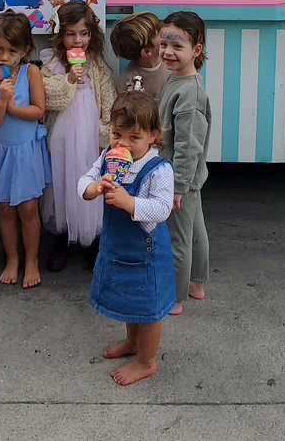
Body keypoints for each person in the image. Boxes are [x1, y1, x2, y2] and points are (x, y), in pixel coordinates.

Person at [80, 91, 175, 386]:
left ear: (153, 137)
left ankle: (147, 361)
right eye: (117, 134)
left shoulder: (158, 169)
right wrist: (94, 187)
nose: (122, 143)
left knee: (148, 309)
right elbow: (84, 181)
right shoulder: (109, 158)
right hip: (118, 249)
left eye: (134, 138)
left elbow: (162, 208)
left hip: (146, 255)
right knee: (130, 303)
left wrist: (130, 203)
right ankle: (132, 342)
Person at [0, 11, 50, 288]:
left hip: (26, 151)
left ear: (25, 50)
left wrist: (13, 105)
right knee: (5, 209)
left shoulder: (31, 72)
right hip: (1, 153)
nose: (4, 57)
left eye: (12, 50)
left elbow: (39, 110)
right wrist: (2, 99)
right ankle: (13, 258)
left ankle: (32, 260)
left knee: (29, 208)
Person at [41, 1, 116, 272]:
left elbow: (108, 102)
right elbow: (47, 98)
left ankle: (93, 239)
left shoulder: (97, 65)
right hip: (62, 135)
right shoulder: (51, 62)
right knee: (63, 183)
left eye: (83, 33)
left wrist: (105, 136)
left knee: (92, 181)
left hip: (89, 135)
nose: (78, 39)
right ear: (61, 35)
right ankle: (63, 236)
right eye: (71, 33)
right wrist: (70, 79)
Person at [157, 11, 212, 316]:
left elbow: (188, 146)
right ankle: (196, 283)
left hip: (179, 177)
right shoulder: (180, 79)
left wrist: (177, 186)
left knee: (178, 238)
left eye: (177, 46)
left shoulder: (189, 92)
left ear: (197, 49)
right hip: (187, 177)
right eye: (164, 43)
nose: (168, 52)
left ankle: (175, 298)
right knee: (194, 229)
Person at [109, 11, 170, 99]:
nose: (164, 35)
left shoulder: (173, 62)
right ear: (146, 52)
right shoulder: (127, 82)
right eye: (158, 34)